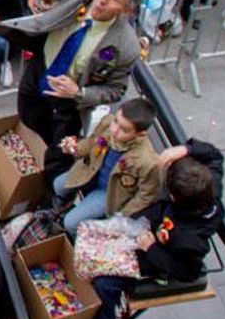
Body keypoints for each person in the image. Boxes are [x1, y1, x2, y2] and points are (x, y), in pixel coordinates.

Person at [0, 0, 144, 179]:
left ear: (127, 9)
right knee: (28, 118)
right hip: (40, 70)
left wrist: (79, 93)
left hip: (68, 102)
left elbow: (116, 90)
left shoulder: (126, 46)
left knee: (58, 156)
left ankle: (52, 190)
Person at [67, 139, 225, 319]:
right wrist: (185, 149)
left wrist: (151, 248)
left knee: (105, 283)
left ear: (174, 198)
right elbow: (214, 154)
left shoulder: (188, 240)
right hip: (149, 223)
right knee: (94, 230)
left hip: (155, 254)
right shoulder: (210, 181)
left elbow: (188, 272)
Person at [53, 98, 163, 234]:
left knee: (70, 223)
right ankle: (62, 206)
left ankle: (78, 241)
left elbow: (146, 194)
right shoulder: (107, 122)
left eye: (124, 130)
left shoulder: (147, 161)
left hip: (109, 193)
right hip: (90, 172)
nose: (115, 130)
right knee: (58, 185)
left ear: (140, 134)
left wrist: (122, 216)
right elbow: (91, 142)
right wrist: (75, 149)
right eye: (116, 121)